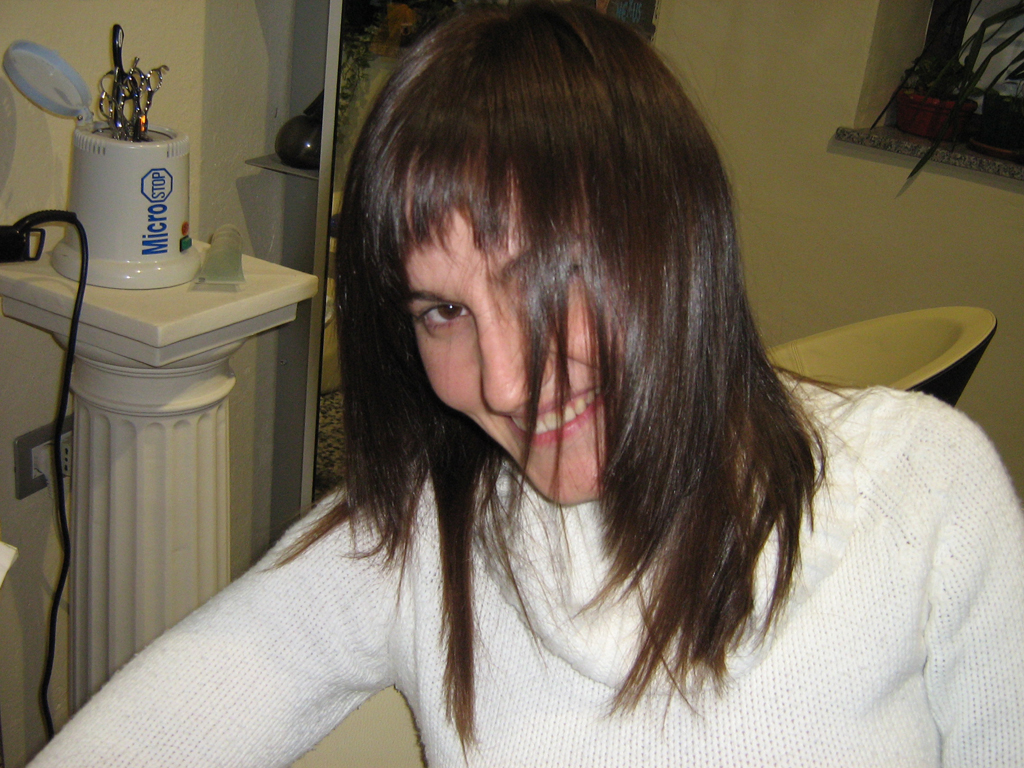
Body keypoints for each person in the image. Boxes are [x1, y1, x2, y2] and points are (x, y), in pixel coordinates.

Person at [30, 2, 1024, 766]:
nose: (504, 381)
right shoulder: (414, 539)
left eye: (544, 276)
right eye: (442, 310)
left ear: (675, 240)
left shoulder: (924, 490)